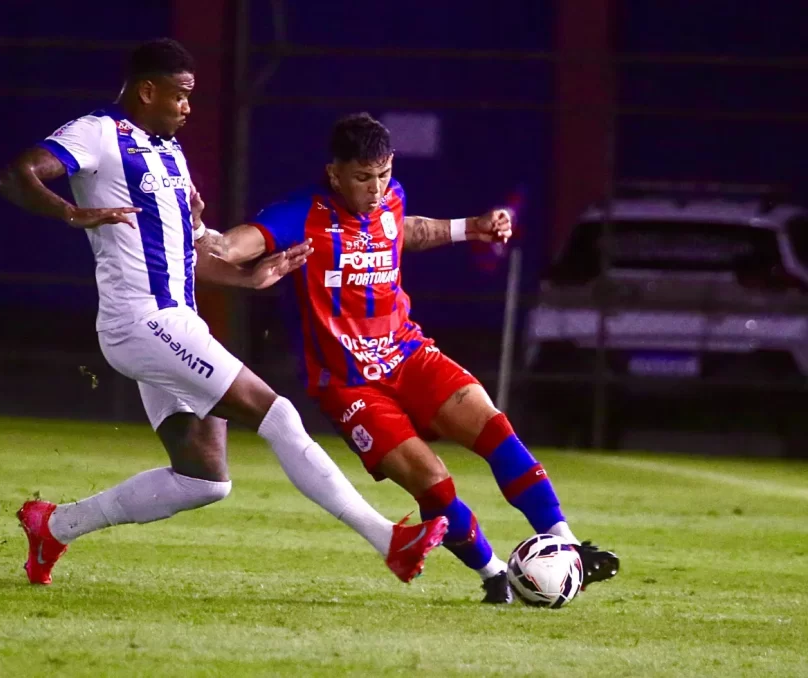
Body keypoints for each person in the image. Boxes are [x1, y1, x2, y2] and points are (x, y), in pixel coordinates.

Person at [0, 40, 448, 586]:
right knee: (278, 415)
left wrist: (247, 277)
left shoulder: (170, 155)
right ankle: (389, 541)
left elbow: (184, 256)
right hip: (144, 321)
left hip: (172, 321)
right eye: (181, 95)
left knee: (205, 479)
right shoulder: (97, 133)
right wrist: (73, 213)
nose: (188, 107)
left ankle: (54, 527)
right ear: (147, 90)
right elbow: (15, 176)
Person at [197, 112, 620, 603]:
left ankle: (568, 548)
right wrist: (203, 233)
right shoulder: (302, 213)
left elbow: (406, 229)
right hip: (349, 384)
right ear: (335, 173)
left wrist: (472, 228)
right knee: (432, 481)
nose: (375, 189)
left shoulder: (391, 197)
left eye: (382, 175)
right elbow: (232, 246)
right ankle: (494, 575)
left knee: (494, 429)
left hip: (408, 353)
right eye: (361, 178)